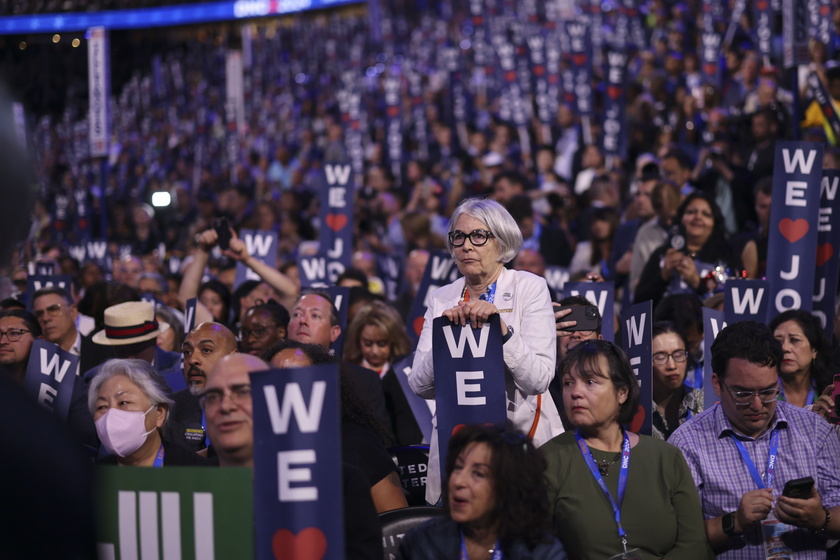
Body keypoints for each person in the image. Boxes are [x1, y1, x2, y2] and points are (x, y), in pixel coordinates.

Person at [410, 197, 564, 505]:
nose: (466, 246)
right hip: (458, 450)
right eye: (458, 236)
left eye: (478, 236)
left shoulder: (530, 288)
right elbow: (419, 385)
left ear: (502, 241)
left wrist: (501, 329)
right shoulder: (442, 298)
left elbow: (539, 380)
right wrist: (445, 333)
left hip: (519, 445)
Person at [668, 321, 840, 557]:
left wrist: (821, 518)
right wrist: (734, 522)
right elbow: (678, 538)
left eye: (769, 391)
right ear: (717, 384)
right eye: (743, 393)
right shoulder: (688, 444)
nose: (757, 405)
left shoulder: (815, 430)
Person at [203, 351, 383, 559]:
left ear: (276, 400)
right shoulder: (186, 487)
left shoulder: (340, 485)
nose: (225, 406)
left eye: (242, 391)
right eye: (213, 396)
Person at [543, 340, 712, 559]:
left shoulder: (666, 457)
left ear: (622, 393)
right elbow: (534, 547)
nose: (575, 392)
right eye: (567, 383)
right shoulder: (548, 459)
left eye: (590, 381)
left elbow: (694, 544)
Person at [262, 338, 408, 513]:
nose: (286, 388)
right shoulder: (255, 446)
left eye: (298, 379)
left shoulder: (358, 443)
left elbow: (397, 524)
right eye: (276, 379)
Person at [400, 424, 568, 560]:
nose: (459, 482)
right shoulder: (422, 543)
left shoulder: (540, 552)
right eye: (458, 468)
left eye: (478, 474)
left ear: (508, 485)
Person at [89, 359, 210, 466]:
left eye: (123, 403)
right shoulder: (89, 481)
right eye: (102, 407)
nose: (111, 414)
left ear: (159, 413)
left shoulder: (197, 472)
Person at [635, 191, 739, 308]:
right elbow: (639, 302)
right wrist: (663, 275)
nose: (698, 217)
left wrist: (698, 283)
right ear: (681, 218)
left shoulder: (726, 256)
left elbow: (734, 303)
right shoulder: (662, 254)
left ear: (714, 223)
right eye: (691, 212)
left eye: (706, 214)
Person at [345, 300, 422, 446]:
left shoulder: (406, 372)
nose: (374, 351)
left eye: (381, 344)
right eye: (368, 343)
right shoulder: (347, 373)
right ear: (357, 340)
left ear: (394, 341)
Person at [166, 322, 239, 452]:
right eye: (187, 352)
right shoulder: (173, 409)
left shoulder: (253, 406)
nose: (192, 360)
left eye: (206, 350)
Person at [651, 321, 704, 440]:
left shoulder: (704, 405)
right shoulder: (636, 411)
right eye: (660, 357)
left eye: (679, 355)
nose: (671, 365)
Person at [769, 309, 831, 407]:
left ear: (814, 350)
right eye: (778, 341)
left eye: (794, 340)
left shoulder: (830, 391)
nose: (785, 348)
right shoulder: (763, 394)